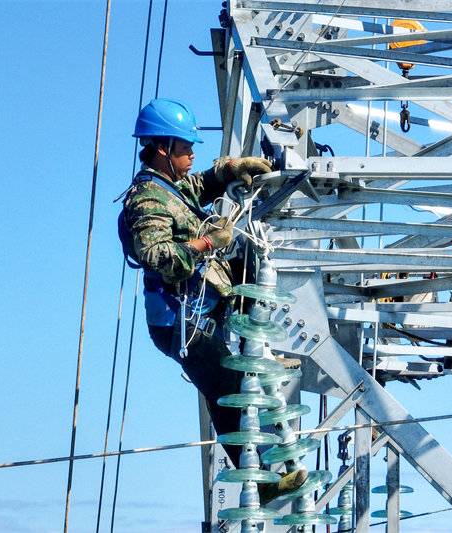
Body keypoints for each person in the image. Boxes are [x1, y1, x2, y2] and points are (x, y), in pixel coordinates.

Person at [119, 98, 306, 501]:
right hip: (180, 323)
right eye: (185, 148)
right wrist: (205, 243)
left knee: (246, 258)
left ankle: (259, 344)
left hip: (201, 311)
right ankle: (262, 483)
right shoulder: (147, 199)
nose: (191, 155)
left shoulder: (170, 186)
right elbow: (155, 255)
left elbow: (198, 187)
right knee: (228, 393)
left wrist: (229, 171)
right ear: (162, 148)